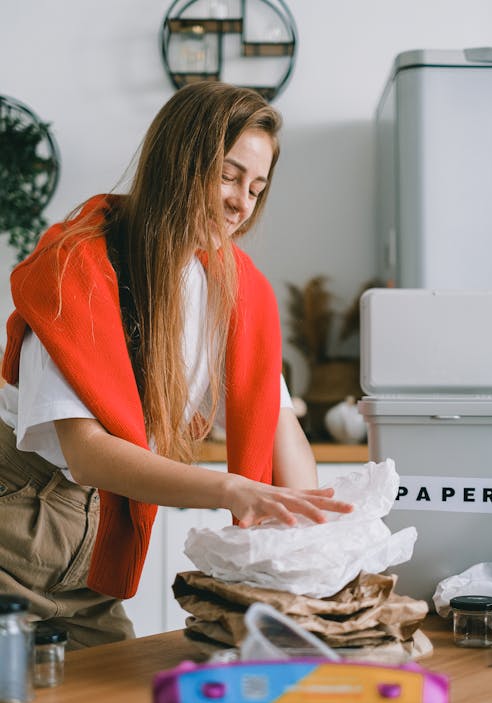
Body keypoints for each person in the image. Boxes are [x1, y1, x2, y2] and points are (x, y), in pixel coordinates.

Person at [0, 82, 353, 649]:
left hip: (95, 541)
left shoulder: (236, 291)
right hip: (17, 515)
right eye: (228, 175)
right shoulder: (77, 268)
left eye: (257, 188)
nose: (243, 202)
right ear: (177, 163)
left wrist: (309, 549)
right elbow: (87, 454)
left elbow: (278, 422)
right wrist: (235, 491)